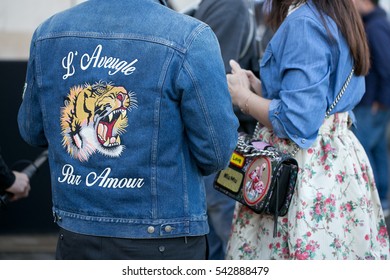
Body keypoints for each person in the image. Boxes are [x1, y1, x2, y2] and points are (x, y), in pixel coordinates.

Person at [17, 0, 239, 260]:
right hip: (164, 239)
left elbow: (31, 130)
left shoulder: (47, 33)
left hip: (77, 235)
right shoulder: (191, 37)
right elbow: (216, 152)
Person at [226, 0, 390, 259]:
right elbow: (314, 100)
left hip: (305, 163)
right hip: (335, 158)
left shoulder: (305, 22)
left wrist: (242, 98)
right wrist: (258, 87)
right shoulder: (334, 14)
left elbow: (297, 121)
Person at [192, 0, 259, 259]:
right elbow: (215, 80)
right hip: (222, 142)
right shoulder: (231, 5)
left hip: (219, 138)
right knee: (229, 240)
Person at [352, 0, 390, 218]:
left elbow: (386, 66)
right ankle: (383, 201)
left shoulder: (375, 27)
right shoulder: (377, 22)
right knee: (377, 151)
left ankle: (375, 204)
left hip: (373, 105)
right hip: (376, 103)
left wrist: (380, 102)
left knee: (365, 154)